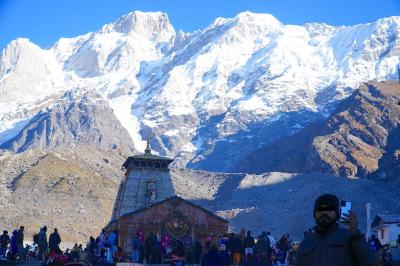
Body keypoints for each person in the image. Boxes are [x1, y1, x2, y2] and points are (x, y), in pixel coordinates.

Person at [295, 194, 377, 266]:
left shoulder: (351, 238)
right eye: (320, 209)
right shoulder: (304, 245)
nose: (324, 212)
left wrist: (355, 234)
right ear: (314, 214)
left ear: (337, 213)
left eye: (330, 209)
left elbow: (370, 263)